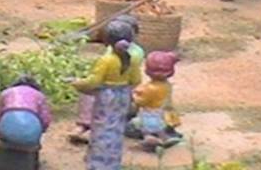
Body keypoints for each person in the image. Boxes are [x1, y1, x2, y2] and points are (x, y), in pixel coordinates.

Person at [72, 19, 143, 170]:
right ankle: (113, 163)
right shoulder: (132, 59)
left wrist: (77, 83)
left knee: (102, 128)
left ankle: (99, 164)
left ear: (107, 40)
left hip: (107, 96)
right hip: (123, 95)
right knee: (117, 129)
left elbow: (94, 81)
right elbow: (136, 80)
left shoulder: (106, 60)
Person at [130, 51, 182, 150]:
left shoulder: (150, 88)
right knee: (160, 129)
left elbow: (141, 101)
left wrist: (134, 96)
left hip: (151, 113)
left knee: (145, 129)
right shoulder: (166, 85)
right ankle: (165, 138)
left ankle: (149, 140)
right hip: (164, 113)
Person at [0, 75, 53, 148]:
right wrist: (41, 131)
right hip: (31, 131)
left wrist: (0, 129)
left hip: (7, 127)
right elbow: (45, 119)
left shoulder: (6, 93)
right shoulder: (39, 95)